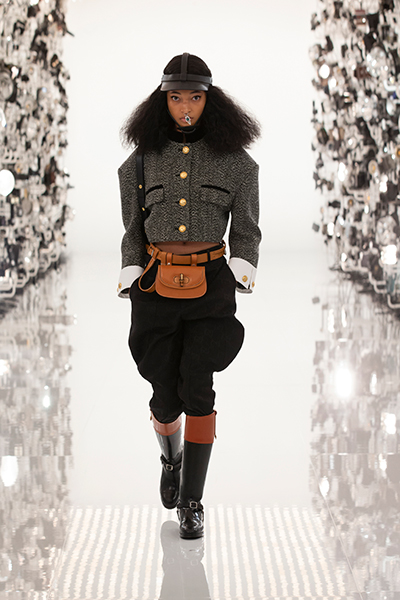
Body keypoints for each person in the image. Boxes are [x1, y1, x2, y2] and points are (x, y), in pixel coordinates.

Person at [117, 53, 261, 539]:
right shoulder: (140, 161)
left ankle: (192, 502)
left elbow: (247, 229)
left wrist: (243, 265)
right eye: (176, 97)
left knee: (198, 387)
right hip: (155, 284)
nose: (185, 107)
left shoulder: (237, 163)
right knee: (164, 395)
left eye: (195, 97)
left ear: (209, 100)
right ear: (162, 101)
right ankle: (171, 460)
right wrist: (130, 268)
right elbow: (133, 229)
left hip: (210, 288)